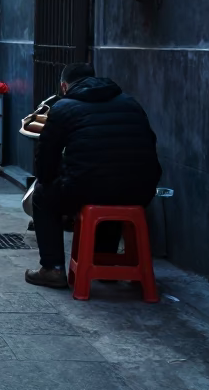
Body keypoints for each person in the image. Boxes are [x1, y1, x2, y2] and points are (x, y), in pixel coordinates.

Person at [26, 63, 162, 289]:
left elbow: (46, 158)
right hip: (142, 190)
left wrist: (50, 180)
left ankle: (52, 269)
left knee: (43, 195)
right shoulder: (130, 103)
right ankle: (103, 261)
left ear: (64, 86)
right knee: (113, 183)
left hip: (90, 187)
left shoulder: (64, 107)